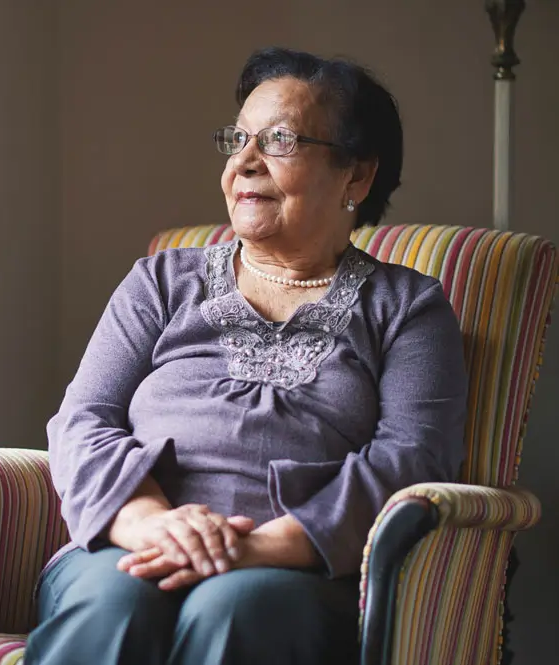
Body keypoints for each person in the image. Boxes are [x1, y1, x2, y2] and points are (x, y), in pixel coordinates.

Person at [26, 47, 467, 665]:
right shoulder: (160, 282)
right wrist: (151, 521)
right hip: (131, 547)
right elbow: (83, 419)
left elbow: (413, 459)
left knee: (235, 607)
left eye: (280, 140)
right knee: (116, 598)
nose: (245, 163)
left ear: (357, 176)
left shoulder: (407, 307)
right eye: (238, 140)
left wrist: (263, 547)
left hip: (294, 573)